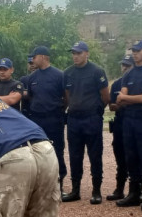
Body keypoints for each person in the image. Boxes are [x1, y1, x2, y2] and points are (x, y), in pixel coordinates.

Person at [61, 41, 109, 204]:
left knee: (95, 155)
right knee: (75, 155)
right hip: (74, 118)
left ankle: (96, 190)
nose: (75, 56)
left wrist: (96, 110)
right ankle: (75, 190)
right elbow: (67, 95)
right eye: (73, 53)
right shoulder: (68, 73)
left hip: (91, 118)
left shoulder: (96, 71)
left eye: (79, 53)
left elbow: (105, 96)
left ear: (87, 53)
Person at [115, 41, 142, 210]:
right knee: (131, 157)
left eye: (138, 50)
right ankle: (134, 193)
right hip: (129, 119)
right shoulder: (129, 74)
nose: (135, 53)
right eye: (133, 51)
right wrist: (138, 98)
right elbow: (121, 99)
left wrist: (129, 98)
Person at [24, 45, 67, 192]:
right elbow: (30, 96)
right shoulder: (32, 77)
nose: (32, 60)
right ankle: (40, 185)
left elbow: (66, 97)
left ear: (43, 57)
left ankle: (59, 183)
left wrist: (59, 110)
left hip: (54, 118)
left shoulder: (59, 75)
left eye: (34, 57)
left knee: (56, 150)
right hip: (37, 119)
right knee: (37, 151)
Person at [106, 56, 133, 201]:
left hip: (133, 121)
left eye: (127, 66)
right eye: (123, 65)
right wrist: (125, 103)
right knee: (120, 156)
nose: (124, 68)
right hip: (120, 123)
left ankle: (137, 190)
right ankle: (119, 189)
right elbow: (111, 106)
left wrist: (124, 102)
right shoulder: (116, 84)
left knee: (135, 157)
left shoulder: (137, 83)